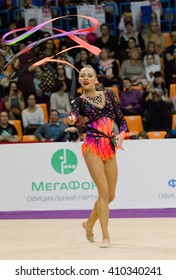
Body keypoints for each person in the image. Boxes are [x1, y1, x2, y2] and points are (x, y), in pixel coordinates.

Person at [68, 65, 127, 248]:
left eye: (89, 75)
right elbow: (73, 115)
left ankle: (89, 223)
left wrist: (121, 134)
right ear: (80, 81)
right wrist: (71, 119)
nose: (85, 77)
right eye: (82, 75)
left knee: (111, 195)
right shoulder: (78, 101)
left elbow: (122, 121)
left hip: (109, 146)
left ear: (96, 80)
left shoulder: (108, 95)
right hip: (92, 145)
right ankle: (106, 236)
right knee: (102, 192)